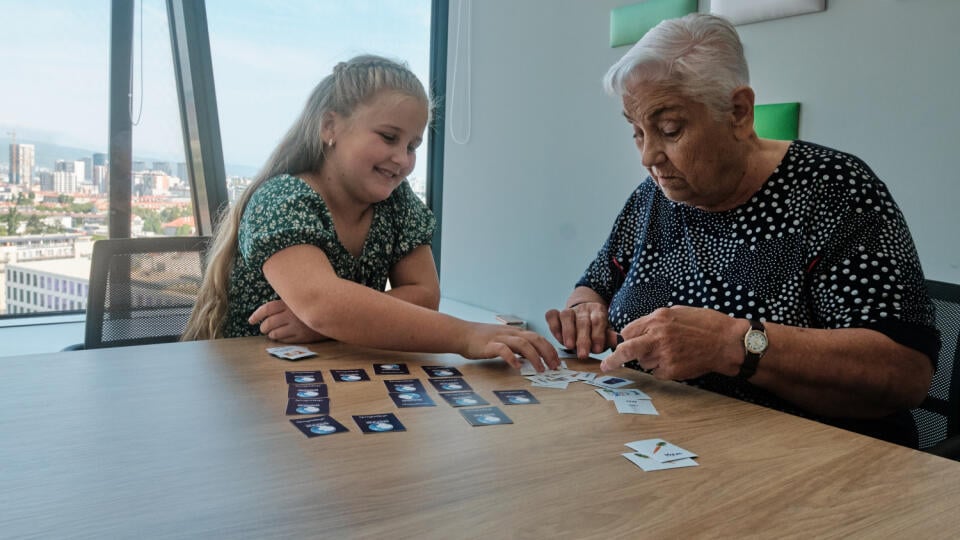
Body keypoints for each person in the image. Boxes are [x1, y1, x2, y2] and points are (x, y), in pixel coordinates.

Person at [545, 14, 938, 447]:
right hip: (668, 445)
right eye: (637, 132)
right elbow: (595, 285)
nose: (648, 156)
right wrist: (584, 310)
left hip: (815, 465)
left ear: (738, 112)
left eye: (670, 129)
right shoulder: (654, 196)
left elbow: (905, 373)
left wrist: (731, 343)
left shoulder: (833, 188)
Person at [183, 55, 559, 372]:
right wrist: (466, 335)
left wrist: (325, 326)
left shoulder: (396, 201)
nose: (403, 159)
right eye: (389, 137)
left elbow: (425, 295)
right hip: (257, 380)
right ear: (330, 127)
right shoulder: (281, 198)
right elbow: (322, 304)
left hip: (342, 370)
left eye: (413, 145)